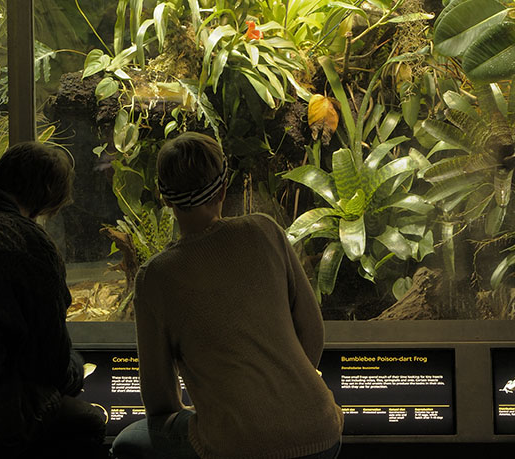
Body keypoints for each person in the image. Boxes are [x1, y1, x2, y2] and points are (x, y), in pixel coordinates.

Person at [111, 132, 343, 459]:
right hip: (322, 429)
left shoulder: (155, 276)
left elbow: (159, 399)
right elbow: (312, 330)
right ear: (222, 190)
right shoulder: (265, 231)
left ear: (165, 199)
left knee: (128, 441)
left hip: (236, 445)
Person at [0, 141, 107, 458]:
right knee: (89, 420)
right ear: (48, 198)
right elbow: (52, 366)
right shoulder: (30, 243)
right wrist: (75, 368)